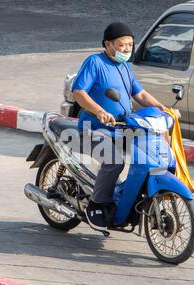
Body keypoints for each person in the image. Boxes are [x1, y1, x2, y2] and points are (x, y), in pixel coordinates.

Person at [72, 22, 179, 232]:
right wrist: (99, 111)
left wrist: (162, 108)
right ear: (108, 45)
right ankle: (97, 203)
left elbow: (139, 94)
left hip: (121, 128)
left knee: (148, 155)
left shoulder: (124, 67)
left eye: (130, 44)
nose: (128, 49)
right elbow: (79, 92)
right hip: (92, 129)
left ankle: (133, 199)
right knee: (115, 162)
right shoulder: (95, 62)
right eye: (123, 45)